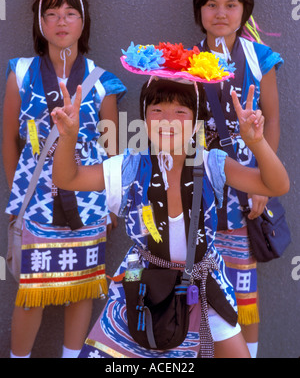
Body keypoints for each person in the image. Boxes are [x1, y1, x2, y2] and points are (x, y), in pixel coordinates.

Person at [51, 44, 289, 358]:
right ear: (144, 117)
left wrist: (257, 143)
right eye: (157, 110)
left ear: (195, 120)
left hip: (201, 285)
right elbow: (67, 179)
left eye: (180, 111)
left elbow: (277, 184)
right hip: (142, 284)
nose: (168, 120)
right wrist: (67, 138)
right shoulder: (130, 166)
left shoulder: (211, 163)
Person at [2, 0, 127, 358]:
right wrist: (14, 199)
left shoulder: (102, 78)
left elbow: (114, 148)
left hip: (88, 196)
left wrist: (111, 203)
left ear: (83, 21)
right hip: (35, 196)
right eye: (51, 13)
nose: (61, 22)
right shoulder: (20, 73)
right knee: (32, 291)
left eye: (71, 13)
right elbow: (8, 139)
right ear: (39, 22)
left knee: (82, 287)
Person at [182, 0, 283, 357]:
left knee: (242, 285)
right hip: (200, 191)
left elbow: (273, 119)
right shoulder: (184, 61)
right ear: (199, 11)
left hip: (246, 194)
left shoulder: (260, 58)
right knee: (198, 285)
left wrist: (262, 184)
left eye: (230, 5)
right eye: (211, 4)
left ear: (245, 11)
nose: (220, 13)